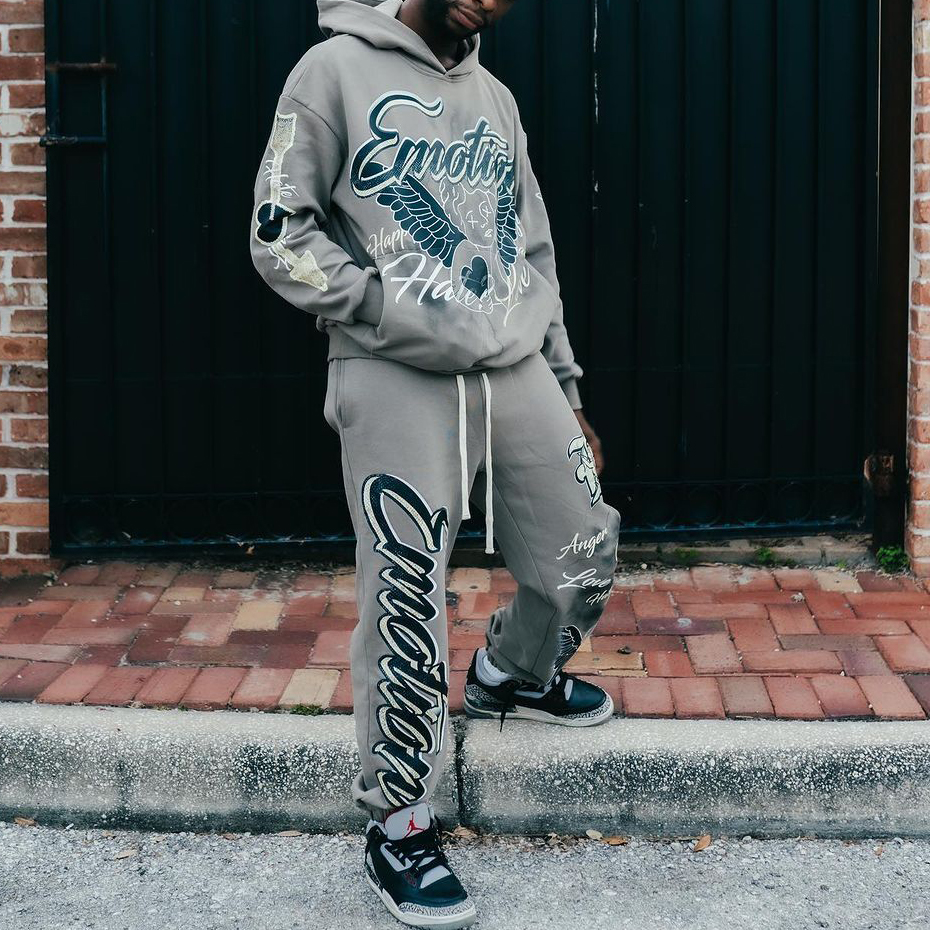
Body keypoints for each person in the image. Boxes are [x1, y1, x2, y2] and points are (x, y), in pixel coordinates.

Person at [250, 1, 622, 925]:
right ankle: (400, 824)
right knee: (406, 591)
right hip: (394, 368)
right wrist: (379, 310)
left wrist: (567, 386)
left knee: (581, 547)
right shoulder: (332, 71)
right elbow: (278, 233)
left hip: (515, 361)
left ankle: (514, 674)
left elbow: (532, 251)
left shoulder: (494, 98)